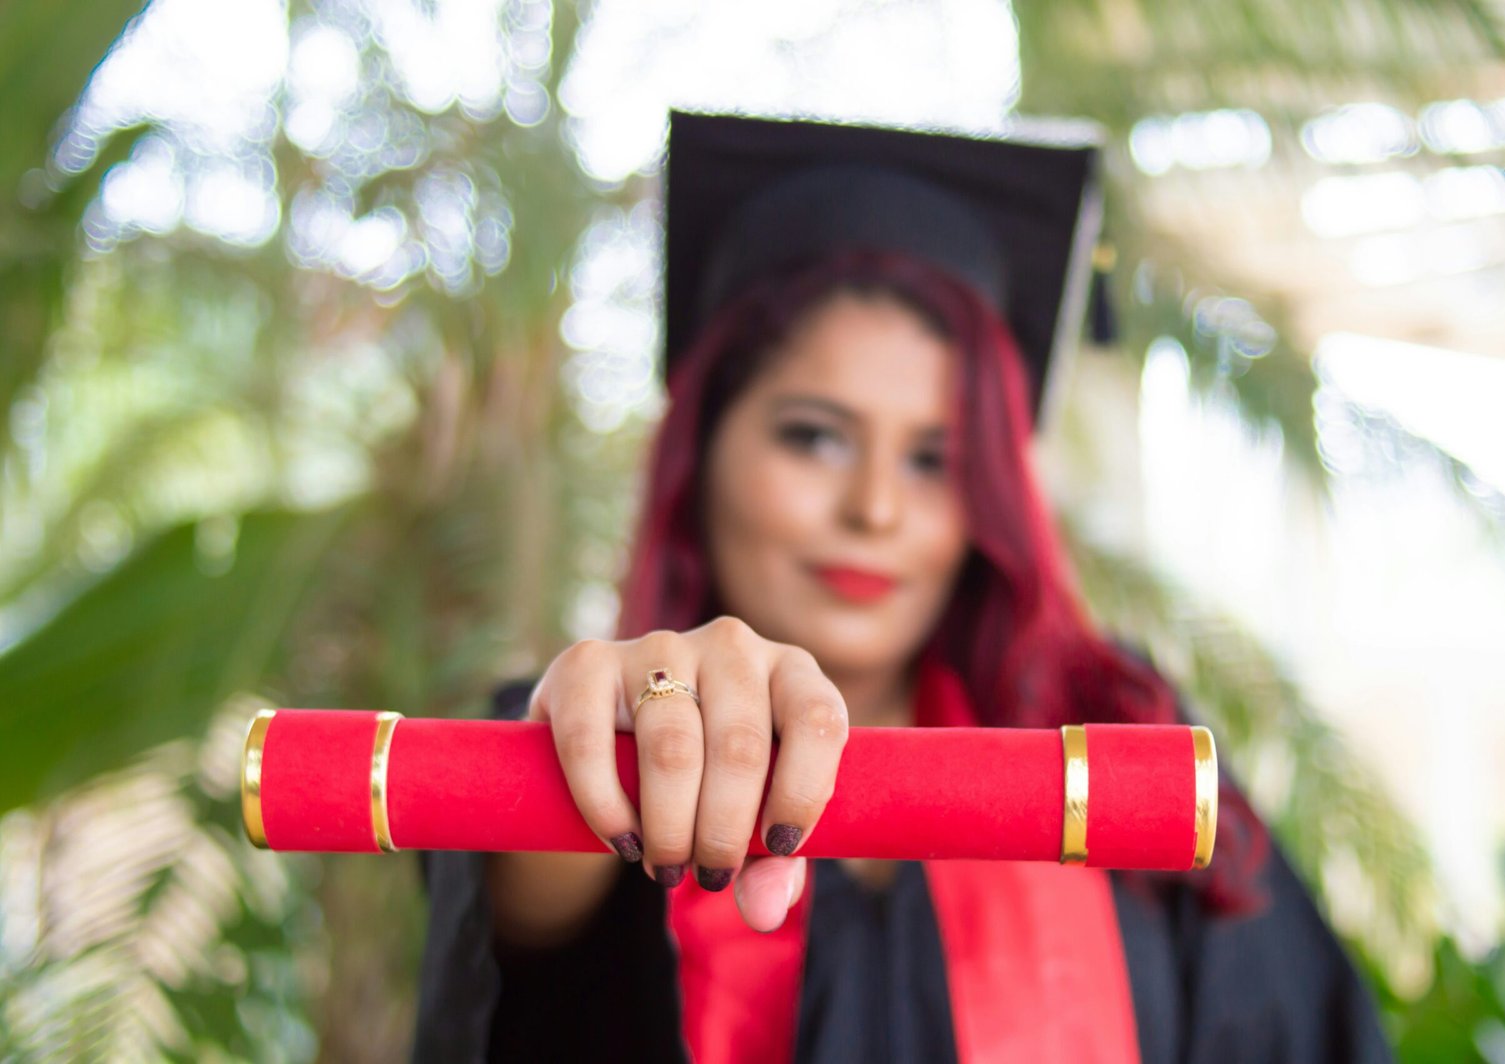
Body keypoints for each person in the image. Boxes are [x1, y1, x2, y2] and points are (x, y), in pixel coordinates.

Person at [411, 111, 1394, 1063]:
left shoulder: (1113, 742)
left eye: (936, 458)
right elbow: (517, 921)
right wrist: (620, 749)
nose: (875, 509)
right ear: (700, 452)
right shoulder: (611, 739)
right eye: (815, 436)